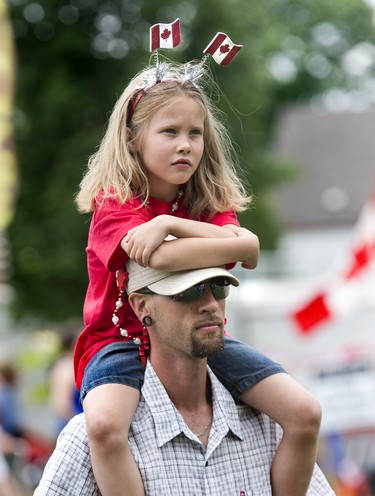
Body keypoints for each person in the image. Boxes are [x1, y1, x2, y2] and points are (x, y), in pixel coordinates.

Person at [73, 58, 321, 496]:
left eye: (195, 133)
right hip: (119, 342)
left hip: (195, 336)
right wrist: (214, 240)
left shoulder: (205, 198)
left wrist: (171, 226)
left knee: (304, 413)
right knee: (106, 427)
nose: (184, 144)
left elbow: (249, 248)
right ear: (133, 139)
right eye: (169, 132)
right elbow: (168, 260)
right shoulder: (115, 203)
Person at [34, 262, 334, 495]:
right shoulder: (91, 439)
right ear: (141, 306)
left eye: (218, 287)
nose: (210, 304)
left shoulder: (269, 426)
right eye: (186, 291)